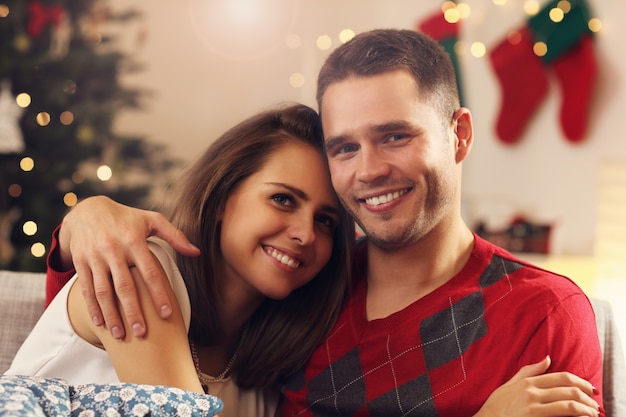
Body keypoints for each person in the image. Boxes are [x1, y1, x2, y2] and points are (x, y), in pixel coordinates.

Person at [40, 30, 603, 416]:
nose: (370, 171)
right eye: (344, 147)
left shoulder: (542, 314)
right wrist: (83, 220)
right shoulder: (306, 296)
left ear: (459, 135)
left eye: (396, 136)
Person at [6, 103, 355, 417]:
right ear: (221, 198)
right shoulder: (139, 270)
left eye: (326, 220)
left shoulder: (263, 378)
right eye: (283, 199)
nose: (306, 234)